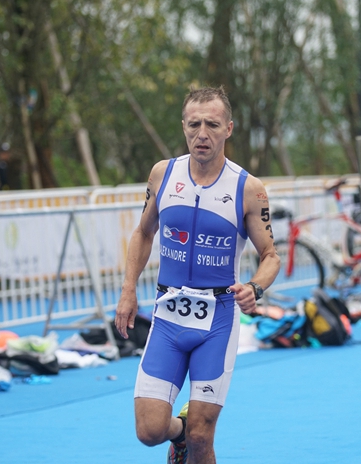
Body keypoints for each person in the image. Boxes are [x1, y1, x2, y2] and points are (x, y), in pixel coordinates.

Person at [115, 86, 280, 464]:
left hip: (218, 320)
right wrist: (128, 290)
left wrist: (256, 286)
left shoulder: (248, 189)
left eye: (212, 124)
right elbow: (143, 233)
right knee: (150, 431)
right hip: (168, 316)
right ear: (184, 127)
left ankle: (192, 438)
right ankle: (180, 436)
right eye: (194, 124)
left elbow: (271, 255)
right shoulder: (163, 174)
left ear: (229, 129)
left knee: (203, 437)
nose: (202, 133)